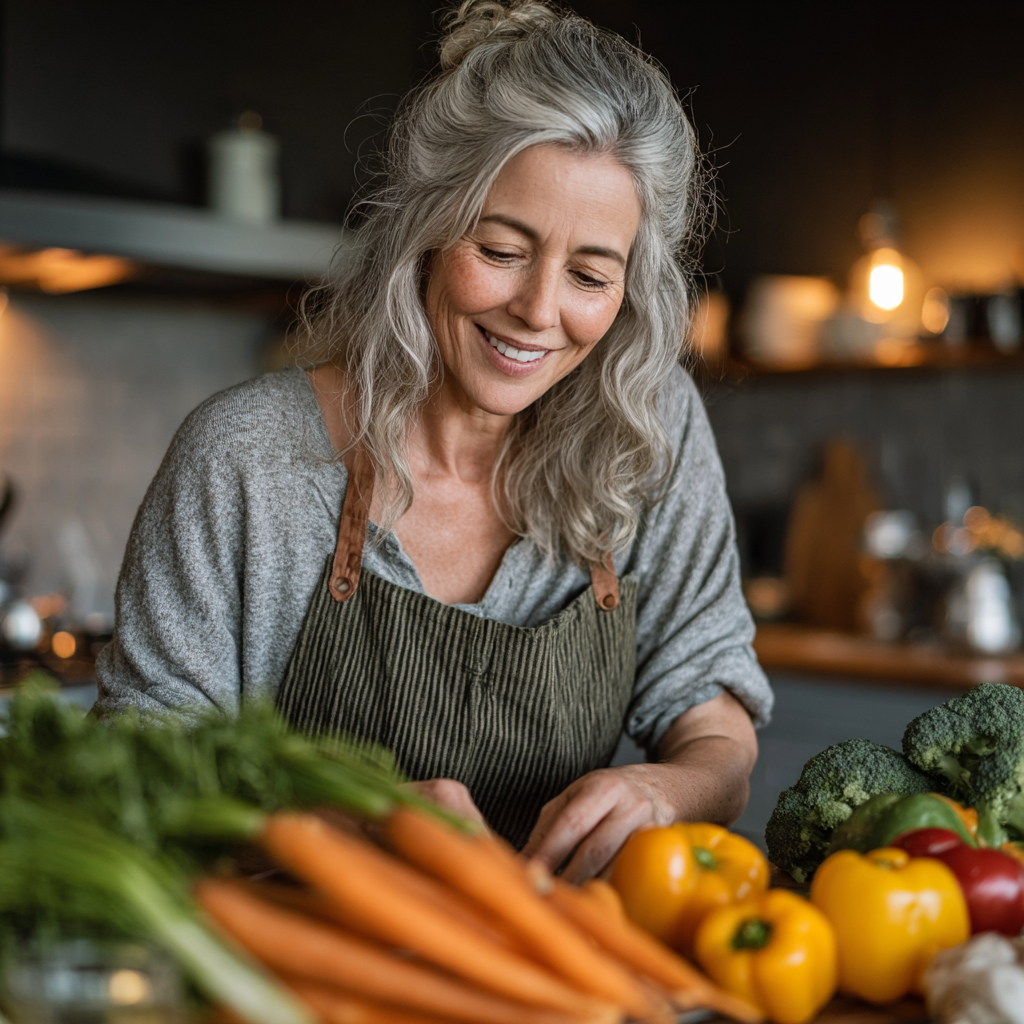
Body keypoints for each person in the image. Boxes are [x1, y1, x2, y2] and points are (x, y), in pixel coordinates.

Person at [96, 0, 773, 880]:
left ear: (631, 290)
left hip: (554, 982)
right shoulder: (247, 459)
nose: (538, 310)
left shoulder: (649, 428)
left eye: (589, 274)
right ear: (426, 226)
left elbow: (715, 723)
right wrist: (343, 825)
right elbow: (135, 771)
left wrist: (665, 792)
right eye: (500, 249)